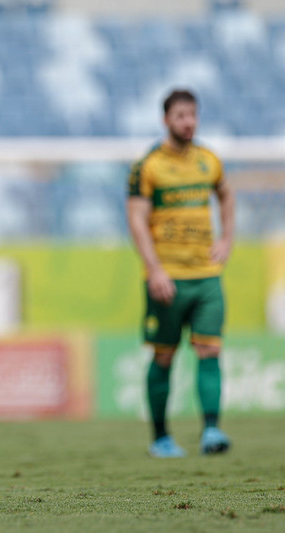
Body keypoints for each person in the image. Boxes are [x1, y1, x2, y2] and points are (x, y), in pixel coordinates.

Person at [127, 89, 236, 458]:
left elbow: (227, 196)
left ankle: (211, 432)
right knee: (164, 356)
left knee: (209, 349)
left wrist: (227, 238)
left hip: (207, 277)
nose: (188, 122)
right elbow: (136, 220)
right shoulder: (148, 166)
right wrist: (154, 269)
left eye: (193, 115)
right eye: (180, 116)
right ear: (166, 120)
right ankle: (160, 437)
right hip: (167, 278)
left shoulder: (209, 160)